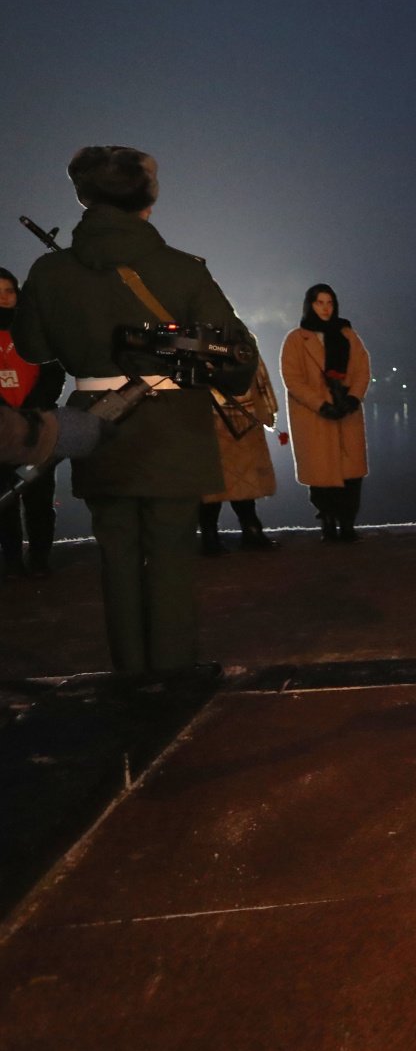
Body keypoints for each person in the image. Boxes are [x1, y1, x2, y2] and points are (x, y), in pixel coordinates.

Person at [11, 144, 257, 671]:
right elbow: (235, 353)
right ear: (147, 199)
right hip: (174, 427)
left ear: (83, 197)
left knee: (116, 551)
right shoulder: (181, 269)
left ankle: (129, 669)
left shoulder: (50, 271)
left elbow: (32, 347)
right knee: (171, 550)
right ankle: (172, 671)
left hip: (95, 422)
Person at [281, 283, 371, 543]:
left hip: (347, 412)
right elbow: (293, 379)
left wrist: (353, 398)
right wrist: (321, 404)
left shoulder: (348, 335)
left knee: (351, 474)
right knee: (321, 475)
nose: (325, 308)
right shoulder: (296, 339)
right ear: (310, 305)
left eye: (329, 303)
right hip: (315, 417)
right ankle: (328, 522)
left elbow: (362, 369)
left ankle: (347, 524)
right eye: (320, 303)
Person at [1, 267, 64, 577]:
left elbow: (54, 374)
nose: (3, 298)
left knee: (39, 498)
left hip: (38, 426)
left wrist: (29, 411)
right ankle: (11, 560)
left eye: (9, 290)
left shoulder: (36, 330)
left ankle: (40, 559)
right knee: (4, 500)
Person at [198, 350, 280, 554]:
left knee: (212, 480)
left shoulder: (195, 337)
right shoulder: (241, 339)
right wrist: (269, 409)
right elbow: (259, 376)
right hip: (245, 411)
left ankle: (210, 535)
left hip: (207, 414)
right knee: (245, 476)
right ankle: (251, 528)